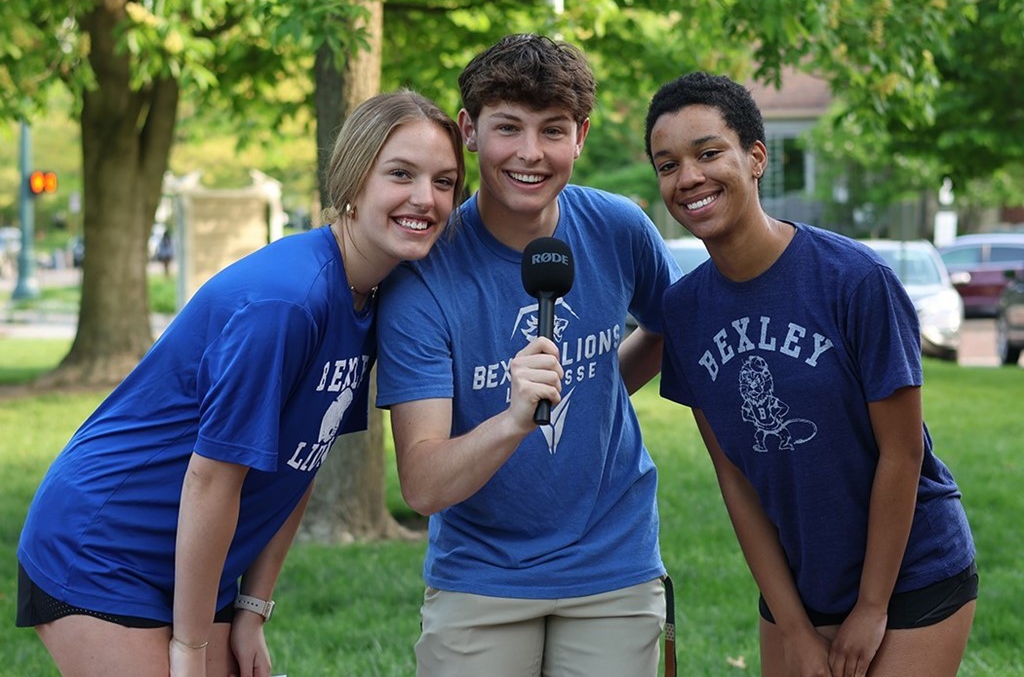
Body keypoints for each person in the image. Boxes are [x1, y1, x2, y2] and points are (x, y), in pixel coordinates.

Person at [16, 89, 466, 677]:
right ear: (353, 183)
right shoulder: (288, 301)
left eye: (445, 182)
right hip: (104, 547)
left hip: (191, 558)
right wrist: (190, 650)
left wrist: (252, 608)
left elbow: (303, 463)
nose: (424, 198)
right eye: (400, 174)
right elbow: (210, 480)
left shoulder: (372, 299)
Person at [646, 72, 977, 677]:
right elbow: (735, 478)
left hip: (910, 572)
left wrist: (872, 607)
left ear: (755, 158)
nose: (688, 177)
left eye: (708, 152)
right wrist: (792, 624)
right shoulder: (685, 310)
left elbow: (901, 455)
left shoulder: (855, 281)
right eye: (667, 164)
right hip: (801, 583)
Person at [375, 33, 682, 677]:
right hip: (481, 573)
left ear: (582, 136)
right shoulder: (424, 276)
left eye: (553, 130)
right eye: (508, 127)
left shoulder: (619, 229)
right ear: (469, 130)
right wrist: (516, 417)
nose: (530, 153)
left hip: (613, 560)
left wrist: (592, 387)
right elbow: (424, 484)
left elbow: (668, 326)